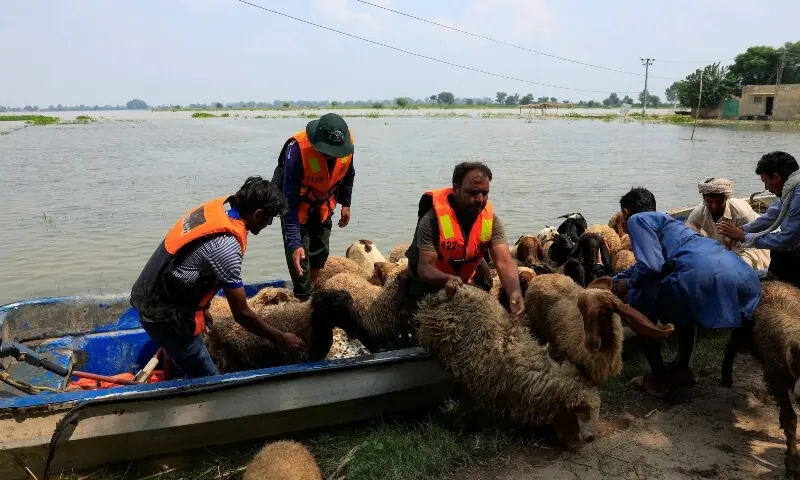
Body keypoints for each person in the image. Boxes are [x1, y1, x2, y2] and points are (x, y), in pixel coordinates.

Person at [130, 177, 306, 378]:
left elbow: (190, 264)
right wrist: (281, 337)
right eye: (269, 218)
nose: (268, 223)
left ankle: (174, 375)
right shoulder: (227, 246)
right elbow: (241, 314)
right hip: (162, 315)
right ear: (257, 214)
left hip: (146, 293)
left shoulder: (215, 211)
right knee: (210, 378)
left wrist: (201, 308)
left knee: (182, 359)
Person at [612, 187, 761, 398]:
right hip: (742, 276)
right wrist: (616, 279)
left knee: (640, 300)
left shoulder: (637, 220)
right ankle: (682, 366)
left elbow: (652, 266)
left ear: (625, 212)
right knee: (680, 290)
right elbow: (654, 263)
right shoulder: (669, 222)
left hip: (705, 277)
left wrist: (629, 284)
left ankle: (660, 379)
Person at [402, 162, 525, 319]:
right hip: (432, 280)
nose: (480, 199)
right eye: (472, 193)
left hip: (464, 274)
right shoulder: (432, 220)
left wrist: (514, 292)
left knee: (486, 283)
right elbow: (425, 268)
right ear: (456, 189)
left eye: (485, 193)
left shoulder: (491, 221)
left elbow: (504, 262)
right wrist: (448, 279)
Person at [272, 113, 355, 300]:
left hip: (324, 203)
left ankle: (313, 293)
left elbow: (348, 174)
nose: (330, 156)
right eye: (326, 153)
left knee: (320, 254)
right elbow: (288, 204)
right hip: (297, 205)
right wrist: (294, 244)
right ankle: (302, 299)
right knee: (300, 259)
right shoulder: (296, 152)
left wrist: (346, 203)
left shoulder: (346, 144)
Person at [717, 151, 800, 288]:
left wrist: (744, 237)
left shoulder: (798, 195)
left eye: (766, 181)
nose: (766, 187)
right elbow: (771, 216)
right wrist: (741, 230)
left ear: (777, 178)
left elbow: (787, 239)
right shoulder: (791, 187)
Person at [685, 177, 770, 270]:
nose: (714, 206)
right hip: (721, 250)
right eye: (709, 201)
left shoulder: (742, 212)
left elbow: (756, 240)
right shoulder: (698, 212)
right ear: (704, 199)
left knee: (741, 268)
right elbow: (686, 237)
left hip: (750, 248)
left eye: (718, 202)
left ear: (726, 199)